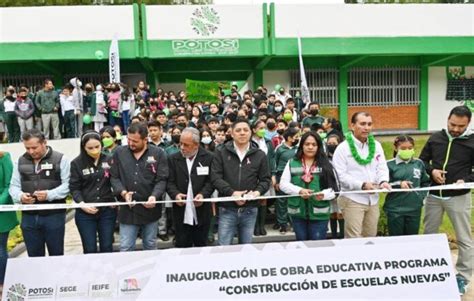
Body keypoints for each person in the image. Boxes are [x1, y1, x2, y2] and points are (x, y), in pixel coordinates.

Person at [419, 105, 474, 295]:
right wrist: (432, 171)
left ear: (468, 123)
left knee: (464, 239)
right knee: (429, 236)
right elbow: (422, 162)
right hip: (434, 196)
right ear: (448, 119)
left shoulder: (472, 142)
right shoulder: (436, 138)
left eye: (461, 126)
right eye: (453, 124)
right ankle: (429, 271)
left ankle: (462, 277)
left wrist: (465, 181)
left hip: (459, 197)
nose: (456, 129)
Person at [9, 129, 70, 256]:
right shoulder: (19, 161)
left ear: (44, 143)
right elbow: (13, 186)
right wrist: (21, 196)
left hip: (54, 215)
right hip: (29, 217)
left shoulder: (61, 159)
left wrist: (49, 194)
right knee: (34, 257)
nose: (31, 151)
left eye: (34, 147)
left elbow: (68, 185)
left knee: (56, 255)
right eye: (27, 148)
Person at [211, 119, 271, 245]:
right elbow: (215, 177)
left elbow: (265, 180)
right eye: (238, 130)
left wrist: (256, 193)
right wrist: (232, 193)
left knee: (246, 249)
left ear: (251, 132)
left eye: (245, 130)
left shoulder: (260, 155)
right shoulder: (220, 152)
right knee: (224, 248)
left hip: (250, 209)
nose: (242, 133)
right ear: (231, 133)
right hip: (227, 208)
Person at [110, 122, 168, 251]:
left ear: (145, 139)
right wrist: (123, 193)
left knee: (150, 244)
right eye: (129, 139)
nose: (131, 143)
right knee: (126, 246)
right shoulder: (119, 153)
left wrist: (154, 196)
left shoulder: (158, 153)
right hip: (128, 210)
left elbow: (162, 179)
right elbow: (114, 177)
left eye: (135, 141)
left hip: (150, 209)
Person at [332, 112, 390, 238]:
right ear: (352, 126)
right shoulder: (343, 148)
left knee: (370, 237)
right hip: (353, 199)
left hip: (373, 200)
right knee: (354, 239)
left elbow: (381, 167)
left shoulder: (377, 146)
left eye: (369, 124)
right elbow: (340, 176)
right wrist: (362, 185)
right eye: (362, 124)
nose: (367, 128)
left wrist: (383, 181)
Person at [279, 132, 338, 241]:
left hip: (319, 215)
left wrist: (324, 195)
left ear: (319, 146)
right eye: (307, 144)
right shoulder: (292, 162)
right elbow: (283, 184)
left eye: (314, 144)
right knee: (301, 246)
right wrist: (299, 190)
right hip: (298, 215)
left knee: (317, 248)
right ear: (302, 146)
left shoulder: (326, 164)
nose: (310, 147)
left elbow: (335, 189)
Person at [70, 131, 117, 253]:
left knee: (107, 246)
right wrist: (82, 204)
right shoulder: (76, 163)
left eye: (97, 146)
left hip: (107, 211)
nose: (94, 150)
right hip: (85, 213)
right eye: (90, 148)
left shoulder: (110, 160)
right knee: (89, 248)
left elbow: (116, 181)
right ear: (84, 147)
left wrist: (116, 199)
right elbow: (74, 188)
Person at [167, 128, 214, 247]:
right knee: (182, 246)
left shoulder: (209, 158)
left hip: (201, 212)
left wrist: (203, 194)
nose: (182, 147)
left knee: (201, 247)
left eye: (186, 145)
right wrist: (175, 194)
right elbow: (169, 182)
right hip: (181, 211)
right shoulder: (173, 159)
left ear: (196, 145)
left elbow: (211, 181)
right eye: (181, 143)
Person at [385, 135, 430, 237]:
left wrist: (421, 197)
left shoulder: (418, 163)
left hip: (414, 209)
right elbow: (383, 185)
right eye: (403, 148)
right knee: (396, 240)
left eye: (410, 148)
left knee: (412, 240)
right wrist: (399, 184)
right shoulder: (388, 165)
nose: (407, 151)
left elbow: (425, 182)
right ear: (396, 148)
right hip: (395, 209)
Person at [251, 120, 276, 236]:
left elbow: (272, 159)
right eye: (260, 128)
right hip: (253, 174)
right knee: (254, 199)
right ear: (254, 130)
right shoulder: (250, 142)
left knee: (263, 199)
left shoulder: (268, 142)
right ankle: (255, 226)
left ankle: (262, 225)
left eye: (264, 128)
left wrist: (273, 174)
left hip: (265, 174)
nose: (263, 130)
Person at [274, 127, 299, 233]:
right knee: (281, 202)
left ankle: (294, 223)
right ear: (289, 138)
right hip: (281, 178)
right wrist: (275, 180)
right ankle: (282, 224)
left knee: (294, 201)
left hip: (295, 178)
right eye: (296, 137)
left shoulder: (298, 149)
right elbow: (274, 164)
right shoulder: (279, 149)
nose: (298, 138)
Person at [0, 151, 18, 293]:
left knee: (0, 249)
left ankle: (3, 283)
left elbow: (8, 184)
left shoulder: (4, 157)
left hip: (1, 210)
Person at [326, 134, 344, 239]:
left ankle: (342, 236)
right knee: (332, 213)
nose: (331, 145)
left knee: (340, 214)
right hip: (330, 189)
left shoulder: (343, 156)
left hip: (342, 189)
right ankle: (333, 236)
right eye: (329, 143)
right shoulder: (324, 158)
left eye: (334, 143)